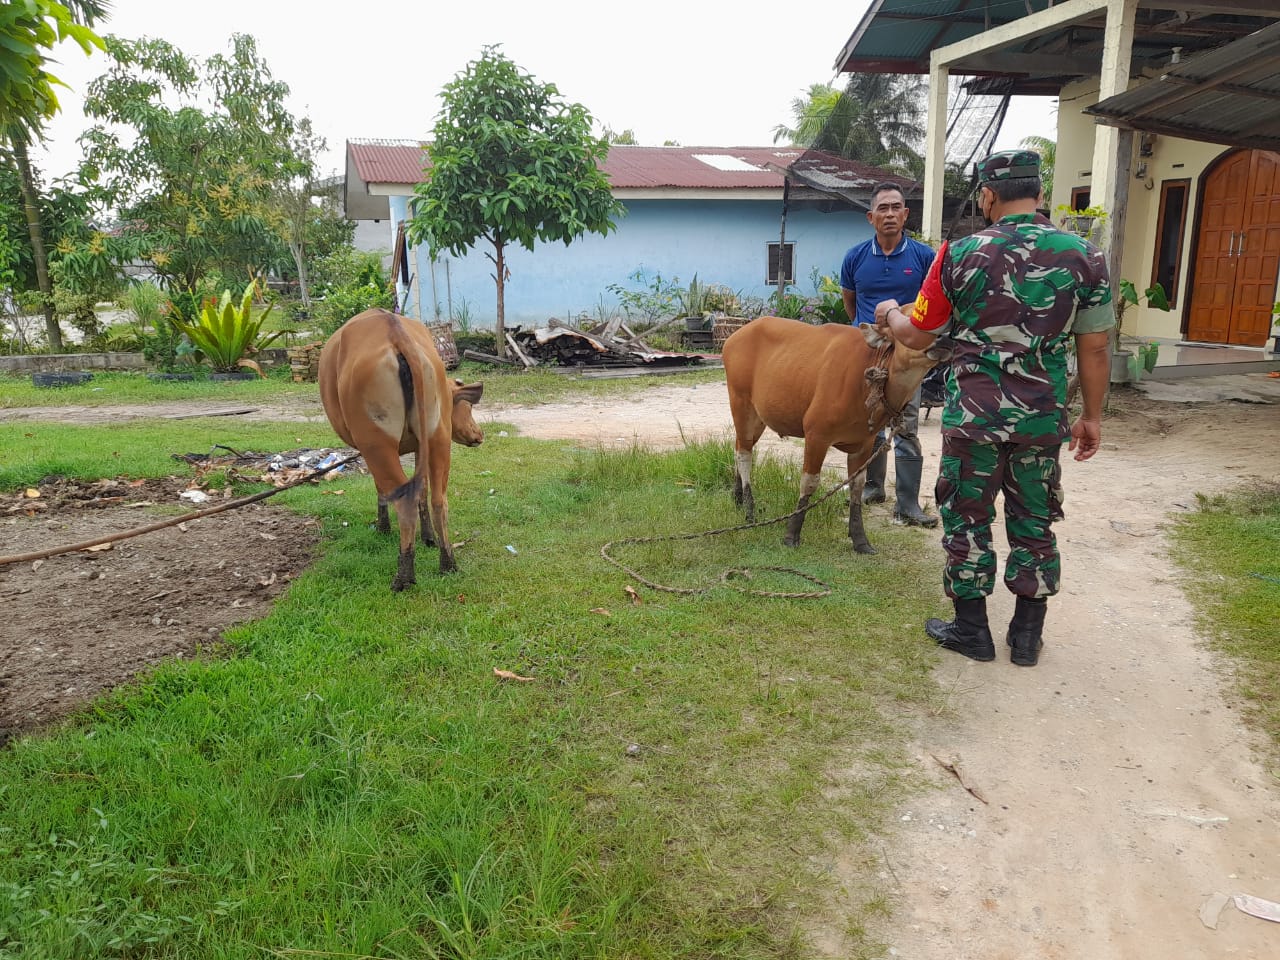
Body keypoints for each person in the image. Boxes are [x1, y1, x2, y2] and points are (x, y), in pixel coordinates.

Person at [873, 150, 1114, 667]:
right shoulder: (1085, 256)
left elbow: (918, 332)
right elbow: (1095, 347)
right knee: (1034, 518)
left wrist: (890, 312)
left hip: (974, 417)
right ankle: (1027, 639)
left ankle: (972, 631)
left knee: (966, 515)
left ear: (987, 196)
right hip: (1043, 415)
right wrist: (1091, 416)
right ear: (1040, 194)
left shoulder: (957, 254)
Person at [840, 182, 940, 528]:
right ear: (871, 217)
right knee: (869, 422)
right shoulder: (855, 257)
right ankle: (872, 487)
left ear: (906, 214)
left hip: (907, 354)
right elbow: (849, 300)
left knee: (906, 423)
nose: (890, 214)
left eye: (896, 207)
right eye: (883, 208)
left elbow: (933, 304)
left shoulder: (923, 257)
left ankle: (908, 503)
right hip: (865, 353)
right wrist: (862, 328)